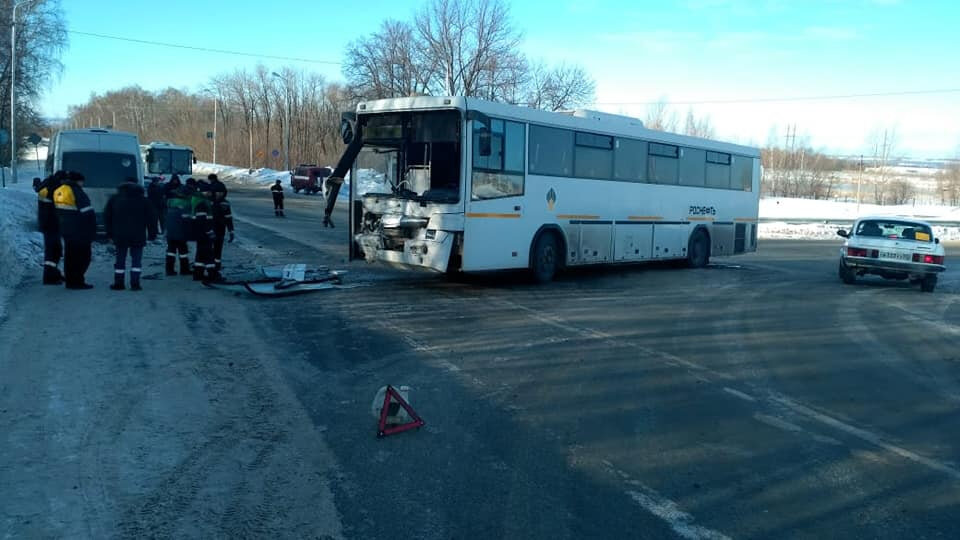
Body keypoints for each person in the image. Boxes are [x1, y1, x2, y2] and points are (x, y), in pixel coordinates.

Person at [103, 177, 158, 291]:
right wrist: (152, 233)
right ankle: (135, 283)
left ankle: (118, 283)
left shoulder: (115, 199)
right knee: (136, 261)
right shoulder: (143, 200)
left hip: (120, 235)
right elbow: (151, 218)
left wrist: (109, 234)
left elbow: (107, 217)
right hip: (138, 235)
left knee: (120, 260)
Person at [53, 171, 96, 289]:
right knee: (83, 257)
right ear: (78, 181)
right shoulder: (76, 191)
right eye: (82, 181)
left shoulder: (59, 190)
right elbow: (87, 213)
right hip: (79, 230)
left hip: (65, 229)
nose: (83, 184)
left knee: (70, 256)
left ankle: (70, 281)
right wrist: (93, 230)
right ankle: (77, 281)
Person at [36, 171, 66, 284]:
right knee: (53, 250)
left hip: (48, 223)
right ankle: (49, 277)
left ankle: (54, 273)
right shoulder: (52, 189)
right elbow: (55, 207)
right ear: (60, 179)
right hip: (51, 224)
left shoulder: (47, 185)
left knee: (55, 250)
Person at [164, 185, 193, 276]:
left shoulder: (170, 201)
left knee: (170, 251)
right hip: (181, 232)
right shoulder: (187, 204)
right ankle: (184, 269)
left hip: (170, 231)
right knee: (183, 252)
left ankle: (169, 270)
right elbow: (189, 219)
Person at [210, 178, 235, 281]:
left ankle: (216, 269)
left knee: (218, 251)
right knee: (208, 251)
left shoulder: (225, 203)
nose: (219, 194)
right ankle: (209, 270)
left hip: (220, 230)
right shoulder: (209, 202)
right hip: (209, 230)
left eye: (221, 192)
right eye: (217, 192)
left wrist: (231, 231)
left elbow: (229, 218)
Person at [190, 182, 216, 281]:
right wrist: (209, 232)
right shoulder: (202, 203)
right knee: (208, 253)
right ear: (204, 192)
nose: (211, 194)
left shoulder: (198, 200)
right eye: (209, 192)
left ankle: (198, 273)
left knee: (200, 254)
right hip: (203, 233)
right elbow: (202, 221)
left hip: (199, 233)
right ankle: (212, 274)